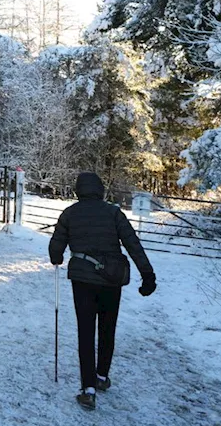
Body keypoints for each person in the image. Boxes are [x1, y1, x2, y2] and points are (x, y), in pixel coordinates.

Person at [48, 172, 156, 411]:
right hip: (111, 279)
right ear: (100, 189)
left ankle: (87, 388)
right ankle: (102, 376)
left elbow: (56, 245)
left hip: (82, 280)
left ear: (79, 190)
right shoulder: (113, 213)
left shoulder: (70, 213)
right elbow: (132, 243)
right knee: (108, 327)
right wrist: (147, 274)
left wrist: (56, 256)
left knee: (85, 331)